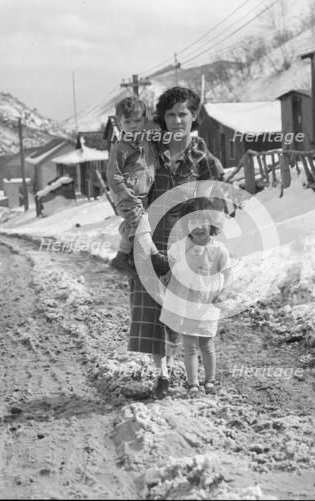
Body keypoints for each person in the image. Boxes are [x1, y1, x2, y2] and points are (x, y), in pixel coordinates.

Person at [128, 86, 224, 399]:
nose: (177, 120)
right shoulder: (149, 154)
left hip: (186, 246)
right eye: (170, 114)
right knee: (154, 312)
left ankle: (196, 376)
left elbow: (214, 203)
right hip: (151, 242)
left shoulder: (204, 159)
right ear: (163, 118)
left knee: (184, 312)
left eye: (183, 113)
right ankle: (163, 376)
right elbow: (134, 197)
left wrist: (207, 240)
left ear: (194, 116)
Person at [160, 197, 231, 397]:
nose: (197, 227)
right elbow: (172, 264)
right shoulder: (180, 247)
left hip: (207, 304)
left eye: (202, 222)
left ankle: (210, 380)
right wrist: (168, 276)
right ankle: (193, 383)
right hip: (186, 303)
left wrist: (224, 292)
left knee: (207, 344)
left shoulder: (218, 250)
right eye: (192, 222)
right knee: (190, 345)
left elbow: (228, 274)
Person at [106, 95, 162, 274]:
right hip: (127, 196)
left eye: (137, 120)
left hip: (142, 196)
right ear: (119, 122)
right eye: (128, 121)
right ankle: (155, 257)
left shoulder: (146, 144)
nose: (133, 125)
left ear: (144, 120)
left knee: (133, 225)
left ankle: (123, 257)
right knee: (142, 225)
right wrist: (123, 193)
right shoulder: (120, 148)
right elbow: (112, 174)